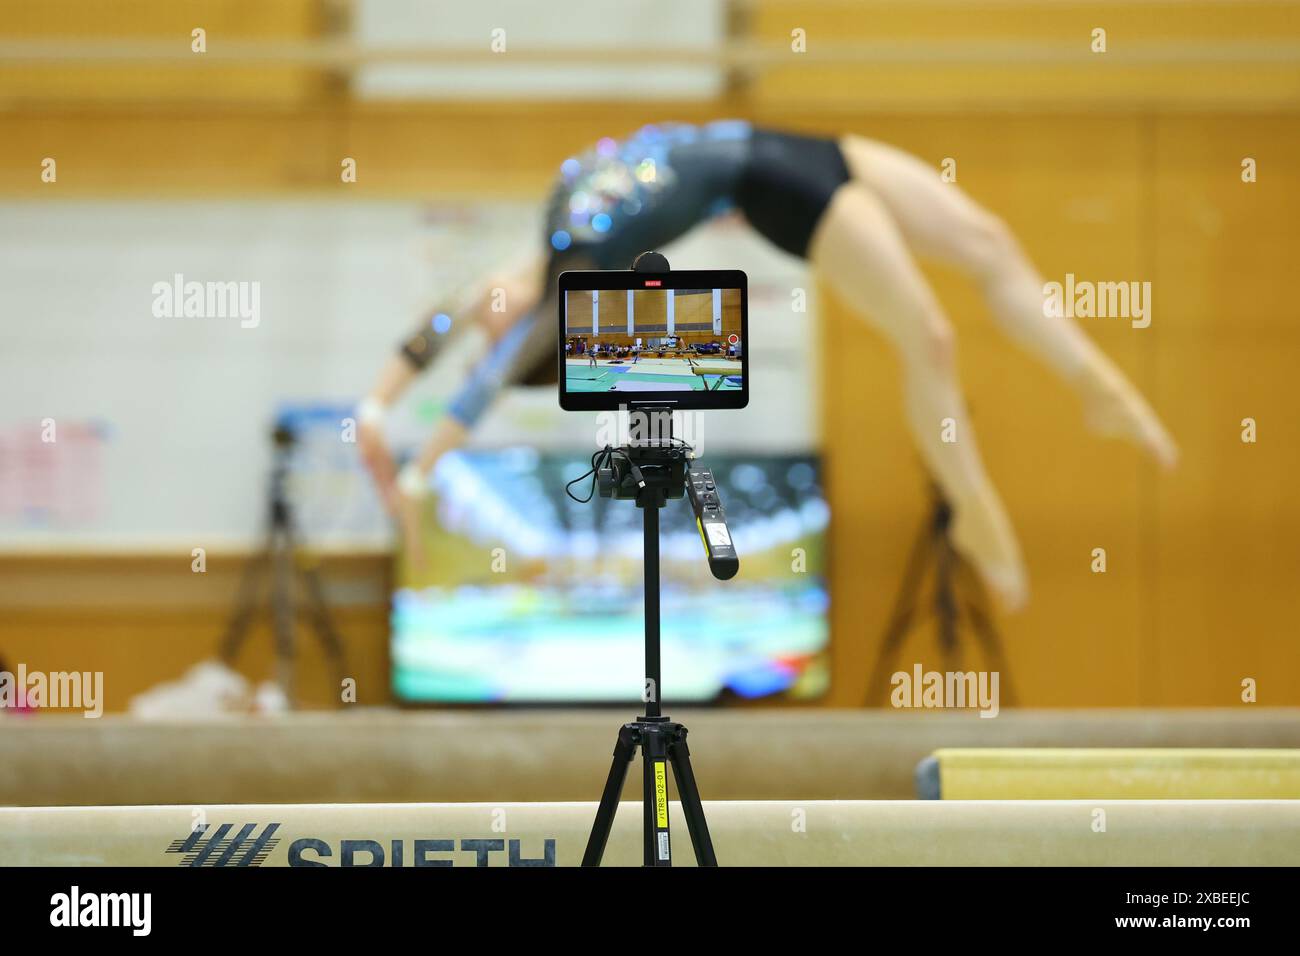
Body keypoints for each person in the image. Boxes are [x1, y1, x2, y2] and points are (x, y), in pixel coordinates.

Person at [357, 120, 1176, 608]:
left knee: (990, 243)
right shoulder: (565, 275)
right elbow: (473, 386)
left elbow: (436, 327)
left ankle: (1094, 383)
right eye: (492, 328)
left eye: (481, 313)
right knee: (928, 333)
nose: (479, 310)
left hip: (805, 147)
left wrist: (374, 407)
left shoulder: (531, 248)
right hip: (771, 186)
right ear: (524, 337)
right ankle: (973, 506)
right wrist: (419, 480)